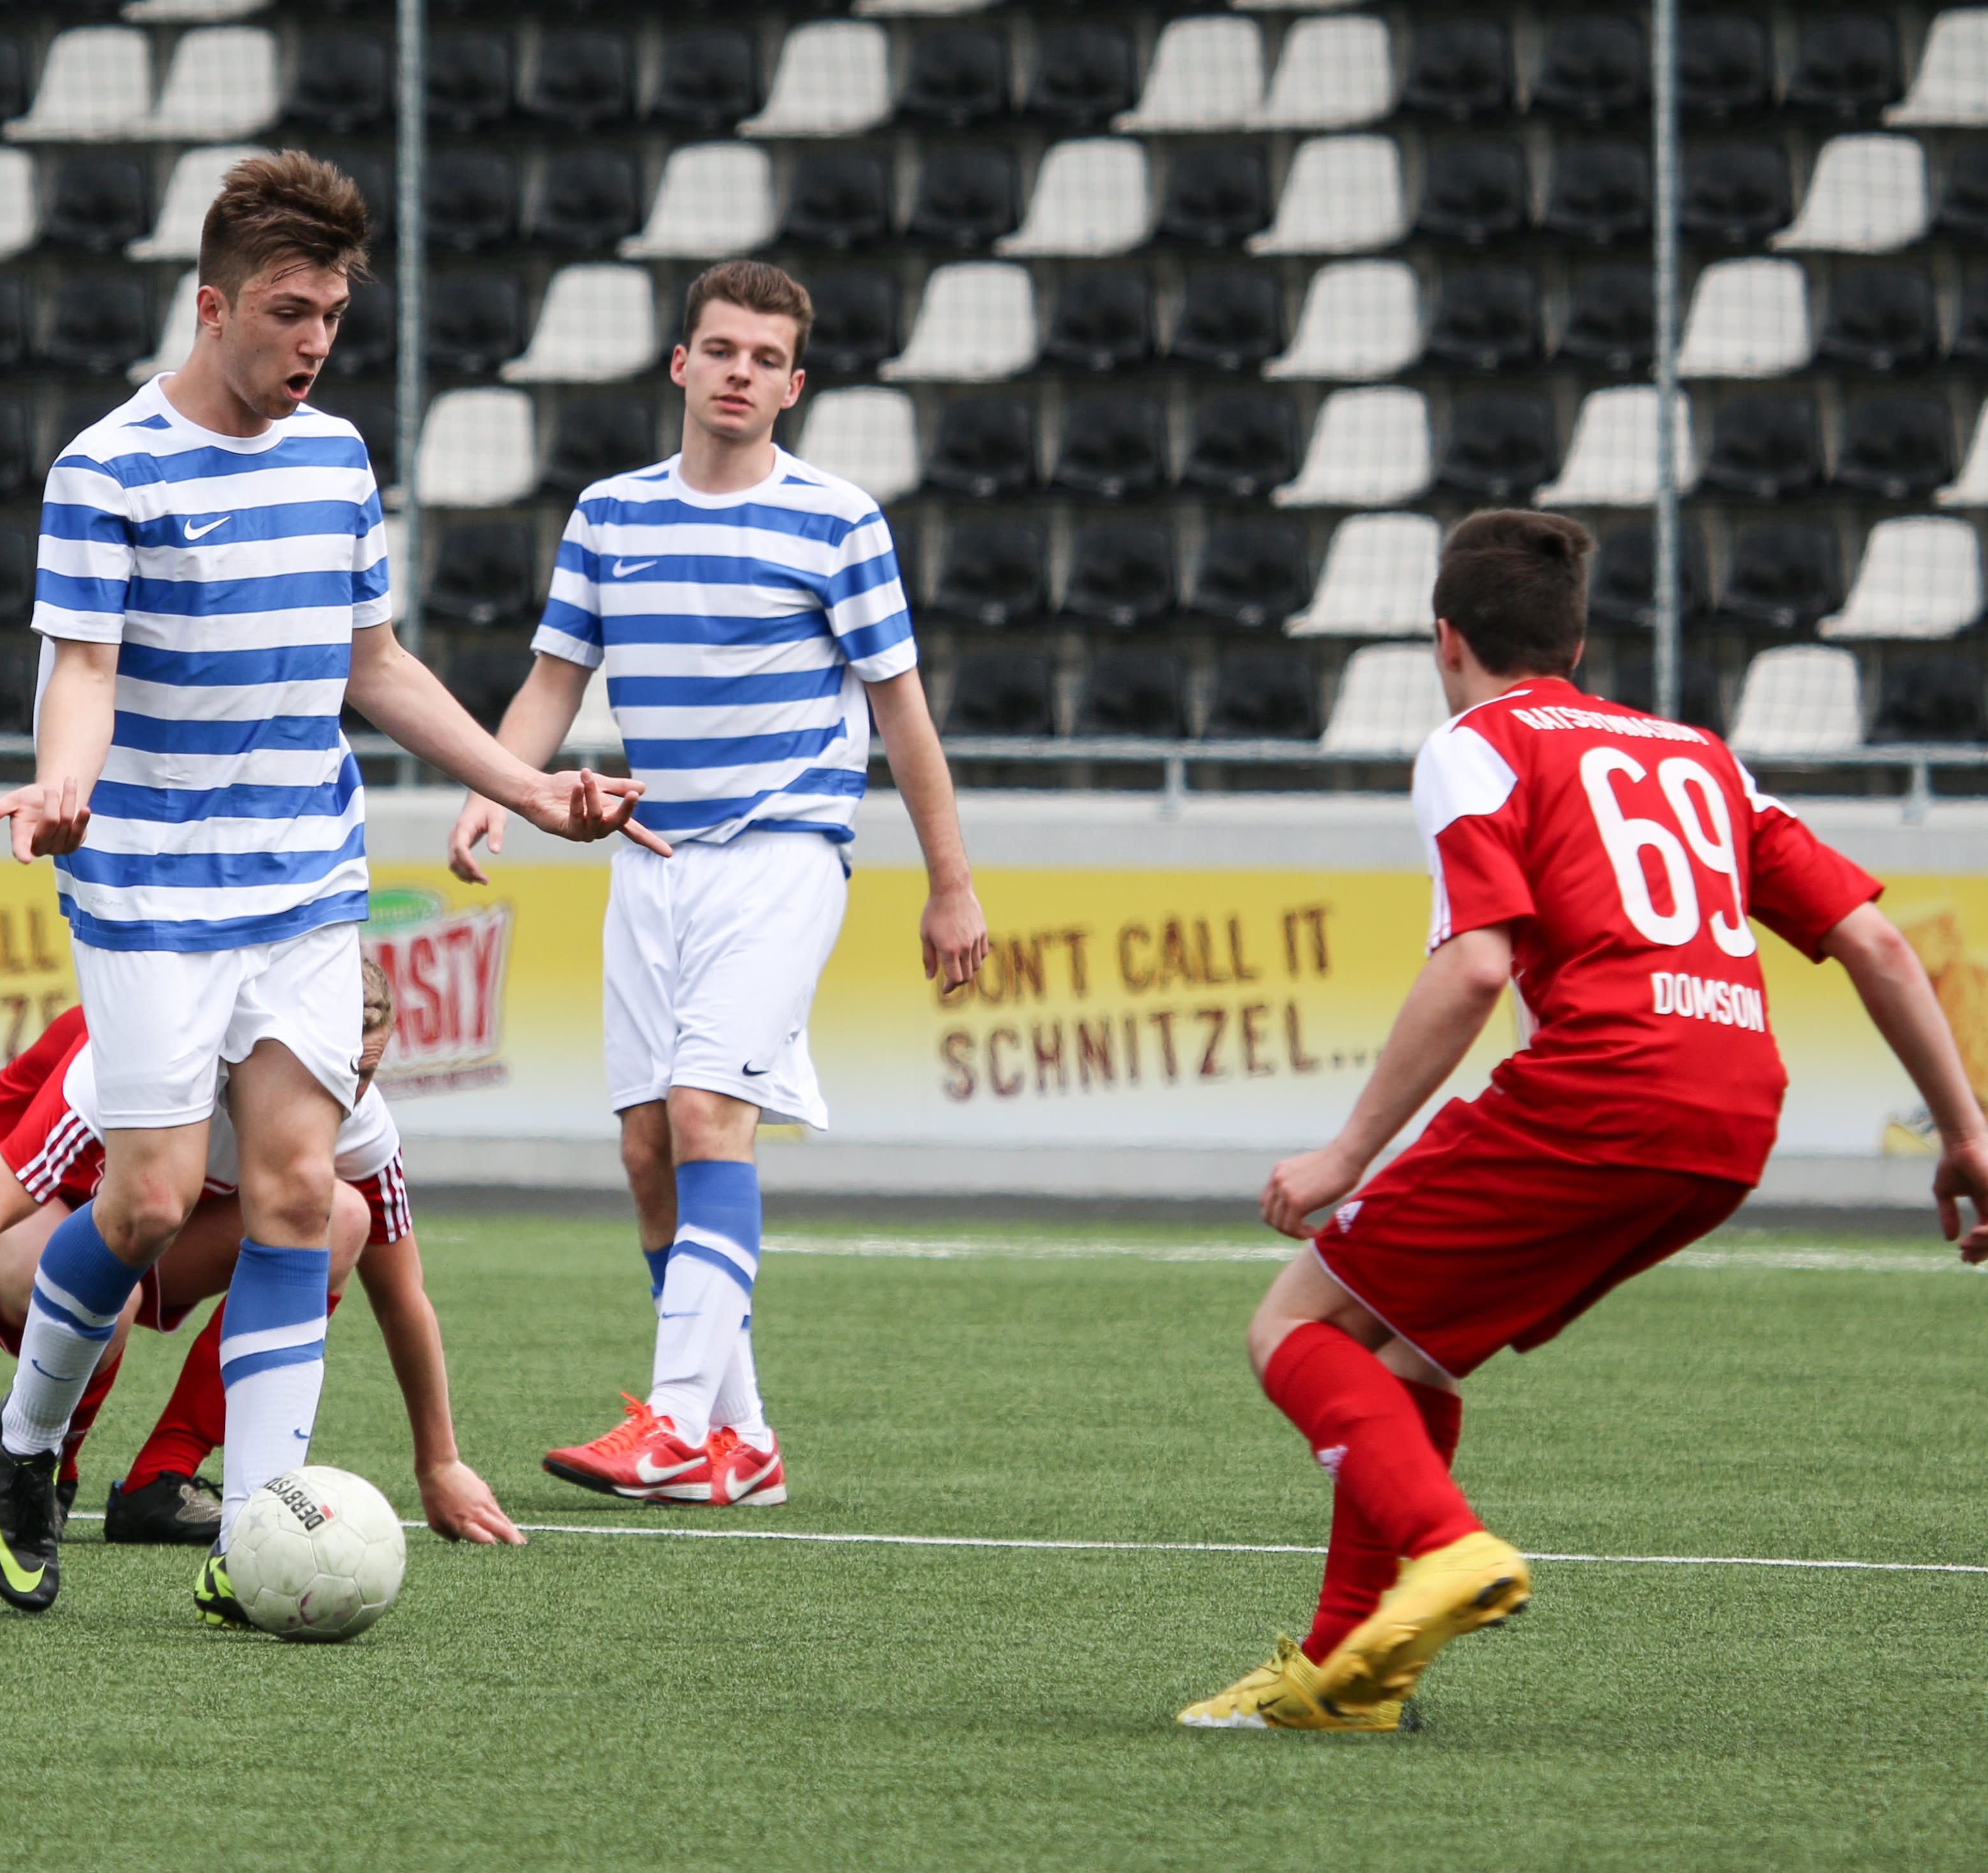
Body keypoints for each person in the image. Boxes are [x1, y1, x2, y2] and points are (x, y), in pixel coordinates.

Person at [0, 151, 654, 1617]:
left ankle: (254, 1539)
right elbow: (81, 668)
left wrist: (528, 787)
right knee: (151, 1201)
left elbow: (374, 663)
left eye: (332, 316)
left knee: (294, 1190)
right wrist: (61, 783)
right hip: (149, 891)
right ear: (211, 304)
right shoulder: (105, 468)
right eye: (289, 312)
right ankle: (25, 1442)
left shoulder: (336, 459)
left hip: (302, 884)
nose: (313, 342)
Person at [1180, 511, 1988, 1733]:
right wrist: (1964, 1132)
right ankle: (1346, 1671)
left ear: (1443, 639)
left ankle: (1444, 1546)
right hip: (1729, 1122)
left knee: (1291, 1324)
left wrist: (1346, 1153)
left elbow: (1470, 967)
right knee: (1408, 1352)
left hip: (1600, 1087)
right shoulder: (1697, 755)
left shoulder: (1474, 742)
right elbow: (1871, 941)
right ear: (1573, 644)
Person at [446, 261, 989, 1510]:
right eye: (722, 350)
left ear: (792, 387)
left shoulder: (837, 522)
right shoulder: (609, 515)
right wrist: (495, 787)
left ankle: (674, 1422)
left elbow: (901, 714)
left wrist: (948, 883)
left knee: (704, 1117)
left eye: (765, 358)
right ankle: (740, 1443)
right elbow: (553, 680)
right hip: (651, 862)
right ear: (680, 364)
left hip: (781, 854)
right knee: (647, 1149)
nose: (740, 372)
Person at [0, 971, 521, 1571]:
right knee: (107, 1287)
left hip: (139, 1219)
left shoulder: (350, 1114)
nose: (348, 1093)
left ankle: (161, 1476)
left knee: (342, 1218)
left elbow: (403, 1296)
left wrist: (439, 1462)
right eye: (334, 1067)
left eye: (363, 1073)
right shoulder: (142, 1056)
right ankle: (42, 1468)